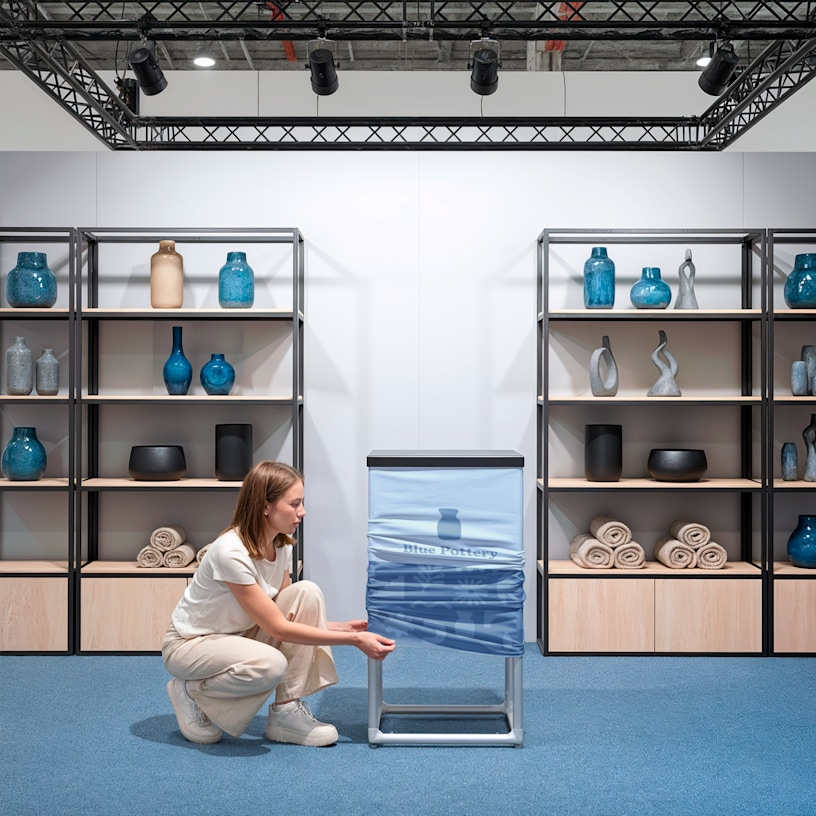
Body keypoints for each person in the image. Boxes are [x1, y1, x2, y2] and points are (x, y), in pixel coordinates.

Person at [162, 460, 395, 747]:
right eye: (294, 504)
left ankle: (286, 712)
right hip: (191, 644)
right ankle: (191, 692)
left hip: (240, 633)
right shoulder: (230, 552)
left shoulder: (280, 544)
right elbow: (279, 629)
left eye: (302, 503)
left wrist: (343, 628)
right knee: (270, 665)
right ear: (265, 506)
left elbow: (285, 611)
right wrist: (354, 640)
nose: (302, 512)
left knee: (307, 591)